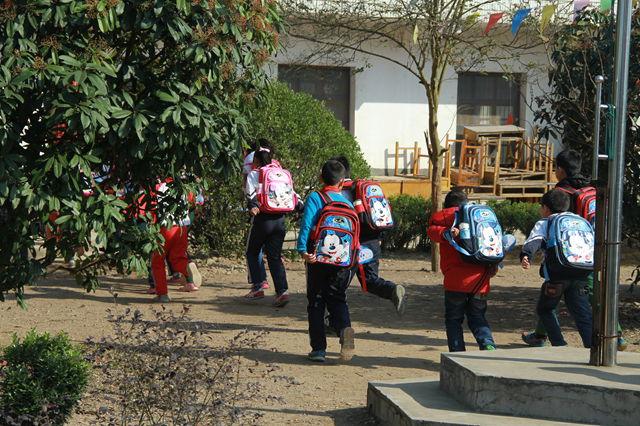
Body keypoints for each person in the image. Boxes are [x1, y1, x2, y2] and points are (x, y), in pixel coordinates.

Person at [521, 149, 626, 350]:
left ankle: (614, 334)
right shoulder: (590, 188)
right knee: (588, 295)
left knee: (557, 294)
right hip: (593, 249)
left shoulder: (561, 193)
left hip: (566, 257)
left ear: (561, 169)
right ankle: (543, 335)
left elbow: (551, 224)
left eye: (556, 168)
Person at [331, 155, 408, 315]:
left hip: (350, 246)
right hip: (371, 242)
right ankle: (392, 289)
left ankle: (336, 322)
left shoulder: (339, 192)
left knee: (336, 287)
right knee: (370, 280)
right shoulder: (362, 189)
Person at [297, 160, 356, 363]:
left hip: (317, 259)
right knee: (337, 298)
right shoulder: (347, 203)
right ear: (342, 182)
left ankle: (318, 350)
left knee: (316, 301)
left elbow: (307, 225)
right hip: (342, 261)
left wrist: (303, 250)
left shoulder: (316, 197)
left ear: (321, 178)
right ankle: (345, 330)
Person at [520, 189, 593, 348]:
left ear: (546, 208)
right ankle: (591, 347)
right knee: (582, 312)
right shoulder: (580, 221)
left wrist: (526, 255)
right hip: (582, 273)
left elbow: (535, 241)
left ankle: (559, 345)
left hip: (558, 274)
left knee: (545, 309)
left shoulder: (546, 222)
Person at [427, 189, 497, 352]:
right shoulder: (478, 218)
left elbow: (432, 232)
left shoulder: (443, 219)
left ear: (446, 205)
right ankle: (487, 344)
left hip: (455, 281)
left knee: (454, 319)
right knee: (478, 316)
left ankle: (458, 353)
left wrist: (446, 233)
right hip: (481, 279)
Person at [244, 150, 294, 306]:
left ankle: (258, 287)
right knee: (275, 257)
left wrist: (252, 206)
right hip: (280, 220)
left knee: (252, 252)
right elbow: (293, 195)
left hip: (262, 219)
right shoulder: (281, 174)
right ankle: (282, 291)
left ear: (256, 161)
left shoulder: (255, 174)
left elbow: (250, 193)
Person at [242, 139, 272, 292]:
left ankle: (258, 282)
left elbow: (247, 185)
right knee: (273, 253)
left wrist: (251, 204)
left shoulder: (251, 161)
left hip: (259, 210)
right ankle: (281, 290)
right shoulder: (275, 164)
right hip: (276, 212)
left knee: (253, 249)